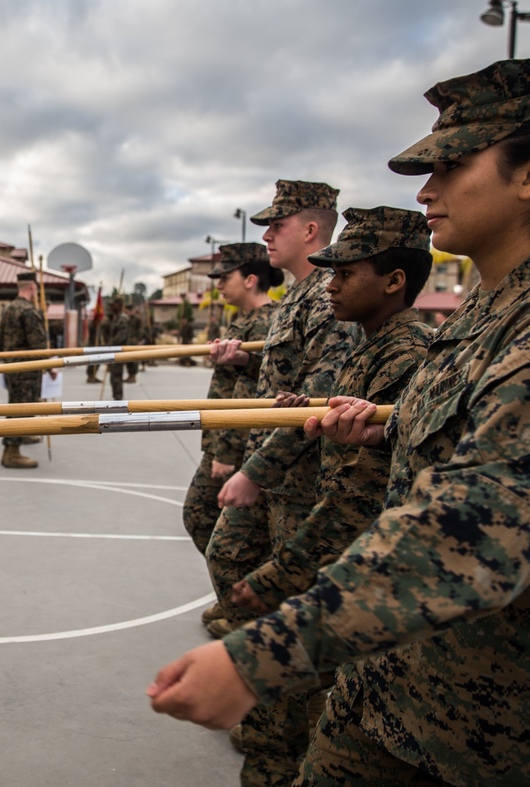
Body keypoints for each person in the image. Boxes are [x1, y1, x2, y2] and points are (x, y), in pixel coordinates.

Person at [149, 50, 530, 785]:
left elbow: (471, 534)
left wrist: (261, 655)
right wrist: (392, 422)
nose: (429, 190)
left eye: (453, 166)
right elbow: (478, 433)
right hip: (401, 685)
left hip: (512, 728)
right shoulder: (496, 307)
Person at [203, 180, 363, 784]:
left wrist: (253, 470)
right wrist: (244, 359)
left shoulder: (330, 296)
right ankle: (271, 713)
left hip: (303, 479)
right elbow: (285, 374)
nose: (265, 235)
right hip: (277, 471)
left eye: (276, 226)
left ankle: (286, 736)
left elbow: (316, 403)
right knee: (236, 569)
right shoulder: (300, 296)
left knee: (287, 604)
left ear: (312, 231)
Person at [182, 243, 282, 625]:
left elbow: (250, 394)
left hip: (239, 443)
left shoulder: (265, 322)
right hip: (224, 436)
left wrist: (226, 450)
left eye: (225, 277)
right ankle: (236, 598)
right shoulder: (244, 320)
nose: (219, 285)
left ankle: (245, 606)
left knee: (204, 516)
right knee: (215, 525)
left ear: (251, 279)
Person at [0, 271, 48, 468]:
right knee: (20, 409)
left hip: (12, 366)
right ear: (33, 287)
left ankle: (23, 434)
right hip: (27, 369)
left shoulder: (8, 309)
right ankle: (11, 452)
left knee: (17, 406)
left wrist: (10, 357)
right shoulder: (29, 311)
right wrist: (49, 365)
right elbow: (38, 345)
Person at [100, 296, 129, 400]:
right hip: (113, 351)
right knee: (113, 376)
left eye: (114, 305)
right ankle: (116, 397)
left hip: (118, 351)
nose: (112, 307)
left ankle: (118, 398)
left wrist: (109, 345)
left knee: (116, 376)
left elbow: (121, 337)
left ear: (119, 305)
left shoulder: (122, 319)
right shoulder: (115, 318)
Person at [124, 302, 143, 383]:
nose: (129, 312)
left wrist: (139, 340)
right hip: (127, 342)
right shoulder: (125, 319)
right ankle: (129, 375)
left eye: (130, 310)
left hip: (134, 342)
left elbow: (140, 331)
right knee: (128, 360)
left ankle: (133, 376)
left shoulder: (137, 319)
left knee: (134, 360)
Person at [176, 292, 196, 365]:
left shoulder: (189, 326)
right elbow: (180, 333)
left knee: (187, 352)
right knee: (182, 352)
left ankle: (187, 361)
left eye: (184, 320)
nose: (183, 321)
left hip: (187, 340)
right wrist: (179, 339)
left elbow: (191, 334)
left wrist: (190, 340)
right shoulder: (182, 326)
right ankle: (183, 361)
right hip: (183, 340)